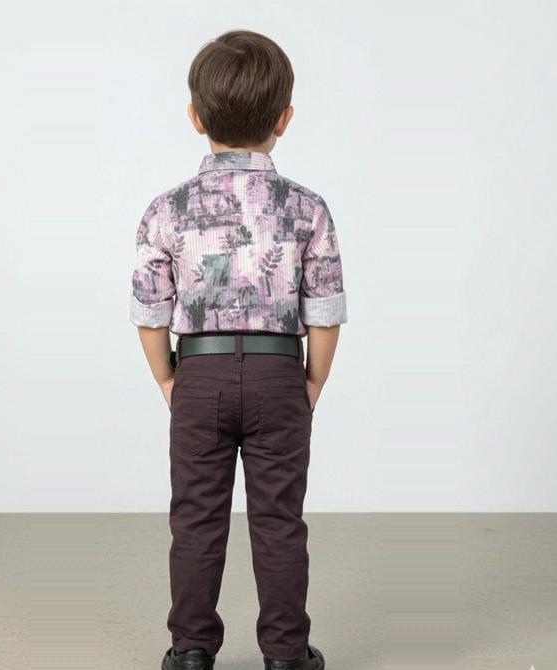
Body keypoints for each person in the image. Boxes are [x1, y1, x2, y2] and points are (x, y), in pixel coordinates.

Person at [130, 29, 347, 670]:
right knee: (279, 518)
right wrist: (312, 382)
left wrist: (168, 380)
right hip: (281, 372)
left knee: (196, 516)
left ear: (195, 117)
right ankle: (286, 653)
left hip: (198, 372)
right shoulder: (308, 208)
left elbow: (149, 311)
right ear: (284, 118)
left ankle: (192, 649)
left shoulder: (165, 210)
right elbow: (325, 311)